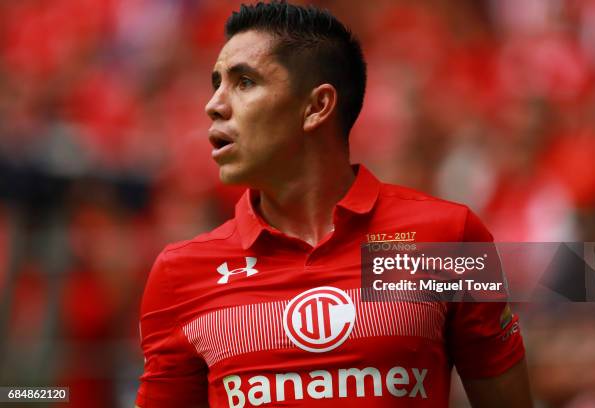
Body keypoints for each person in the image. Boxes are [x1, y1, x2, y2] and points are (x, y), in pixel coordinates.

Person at [136, 2, 532, 407]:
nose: (214, 104)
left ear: (316, 107)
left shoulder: (448, 238)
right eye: (216, 83)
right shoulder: (179, 275)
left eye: (244, 82)